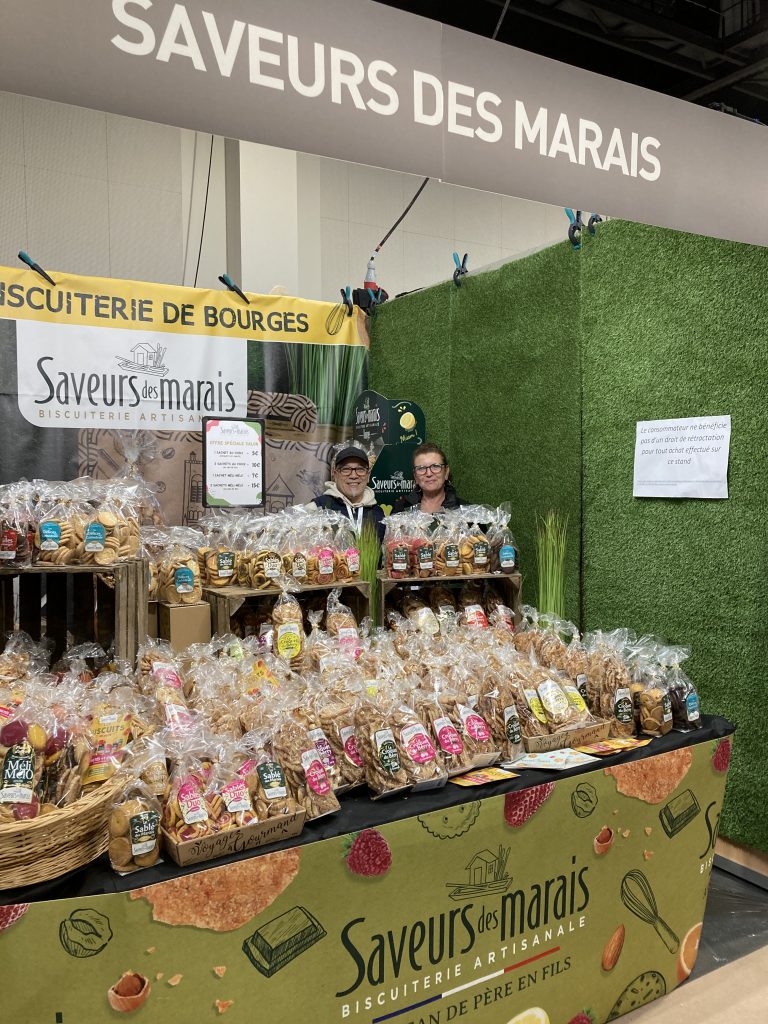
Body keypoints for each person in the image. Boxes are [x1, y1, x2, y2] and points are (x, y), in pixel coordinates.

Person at [308, 442, 385, 538]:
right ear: (335, 474)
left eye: (360, 469)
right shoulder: (316, 508)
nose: (353, 475)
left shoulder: (378, 514)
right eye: (346, 469)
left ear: (368, 475)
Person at [393, 442, 463, 515]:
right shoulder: (401, 508)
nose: (429, 474)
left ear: (446, 472)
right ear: (415, 476)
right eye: (421, 468)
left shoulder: (464, 511)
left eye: (435, 466)